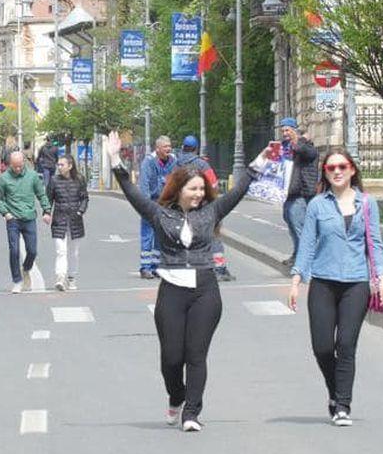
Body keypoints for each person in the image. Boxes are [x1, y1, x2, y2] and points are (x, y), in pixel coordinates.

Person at [106, 130, 270, 432]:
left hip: (205, 291)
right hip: (171, 290)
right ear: (179, 188)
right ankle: (176, 396)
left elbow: (239, 190)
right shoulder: (158, 214)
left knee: (196, 354)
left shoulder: (212, 211)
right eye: (192, 189)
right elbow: (131, 190)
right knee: (171, 357)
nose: (198, 194)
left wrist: (260, 161)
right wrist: (114, 158)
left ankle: (192, 413)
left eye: (201, 190)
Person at [287, 148, 383, 428]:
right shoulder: (318, 205)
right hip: (323, 282)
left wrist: (382, 277)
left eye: (342, 166)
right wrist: (297, 279)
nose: (336, 171)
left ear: (352, 169)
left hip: (355, 284)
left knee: (346, 344)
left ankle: (342, 404)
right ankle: (335, 391)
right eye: (331, 168)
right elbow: (307, 244)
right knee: (322, 347)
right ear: (325, 172)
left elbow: (375, 244)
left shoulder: (367, 204)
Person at [175, 136, 234, 282]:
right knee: (213, 235)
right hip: (203, 205)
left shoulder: (176, 164)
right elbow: (213, 184)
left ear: (183, 147)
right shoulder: (202, 165)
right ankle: (219, 269)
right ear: (196, 148)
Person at [0, 151, 52, 293]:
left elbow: (41, 195)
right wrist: (5, 213)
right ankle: (17, 281)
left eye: (20, 166)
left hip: (29, 218)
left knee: (32, 251)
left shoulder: (32, 176)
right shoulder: (4, 178)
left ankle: (26, 268)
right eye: (15, 166)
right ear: (10, 164)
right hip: (13, 219)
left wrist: (46, 211)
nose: (18, 169)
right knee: (14, 251)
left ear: (24, 163)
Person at [277, 117, 319, 266]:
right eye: (282, 130)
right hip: (288, 193)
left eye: (287, 130)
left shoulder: (305, 145)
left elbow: (305, 152)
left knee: (299, 226)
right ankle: (297, 254)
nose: (285, 133)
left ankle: (306, 260)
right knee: (291, 224)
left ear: (294, 130)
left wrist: (297, 140)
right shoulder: (284, 146)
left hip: (301, 193)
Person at [46, 154, 88, 292]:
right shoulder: (54, 180)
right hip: (59, 219)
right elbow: (48, 199)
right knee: (61, 251)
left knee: (73, 252)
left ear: (70, 166)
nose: (59, 167)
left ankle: (71, 277)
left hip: (75, 220)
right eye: (58, 164)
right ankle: (60, 278)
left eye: (62, 165)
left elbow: (84, 198)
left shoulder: (79, 180)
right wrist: (46, 213)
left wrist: (80, 211)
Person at [138, 136, 176, 278]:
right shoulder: (148, 162)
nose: (168, 149)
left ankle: (156, 266)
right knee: (148, 235)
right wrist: (146, 206)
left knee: (161, 236)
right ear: (158, 148)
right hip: (151, 203)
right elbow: (144, 185)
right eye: (165, 146)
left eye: (169, 146)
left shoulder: (173, 161)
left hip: (165, 205)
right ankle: (145, 267)